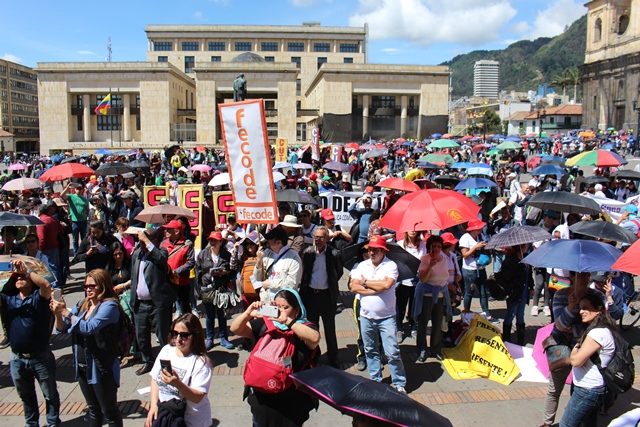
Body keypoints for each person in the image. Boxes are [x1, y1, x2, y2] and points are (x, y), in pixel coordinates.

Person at [230, 288, 320, 427]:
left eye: (285, 307)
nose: (281, 311)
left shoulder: (304, 327)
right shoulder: (265, 324)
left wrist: (288, 322)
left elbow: (314, 339)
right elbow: (235, 329)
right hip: (262, 402)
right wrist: (248, 313)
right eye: (277, 307)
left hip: (291, 405)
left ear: (297, 310)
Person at [51, 269, 123, 427]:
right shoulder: (83, 304)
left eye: (92, 286)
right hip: (83, 366)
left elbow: (89, 327)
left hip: (101, 367)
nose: (88, 289)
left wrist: (65, 311)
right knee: (93, 410)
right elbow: (61, 329)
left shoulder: (109, 306)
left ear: (102, 285)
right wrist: (57, 314)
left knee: (109, 411)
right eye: (85, 286)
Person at [2, 260, 60, 427]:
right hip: (17, 358)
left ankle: (53, 423)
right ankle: (31, 423)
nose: (19, 279)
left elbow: (46, 285)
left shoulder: (38, 297)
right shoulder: (8, 298)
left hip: (40, 356)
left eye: (23, 277)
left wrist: (26, 271)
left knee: (50, 394)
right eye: (17, 277)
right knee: (26, 395)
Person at [348, 236, 406, 393]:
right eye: (370, 249)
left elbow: (386, 285)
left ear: (383, 251)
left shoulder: (391, 265)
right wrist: (376, 288)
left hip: (387, 317)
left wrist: (365, 283)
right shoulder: (362, 265)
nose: (371, 252)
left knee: (392, 352)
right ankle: (375, 380)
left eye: (375, 250)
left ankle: (399, 382)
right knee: (370, 349)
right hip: (366, 316)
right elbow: (353, 287)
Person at [559, 290, 617, 427]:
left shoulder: (597, 333)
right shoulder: (601, 328)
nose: (581, 311)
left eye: (586, 308)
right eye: (580, 308)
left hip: (587, 389)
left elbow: (575, 361)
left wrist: (576, 347)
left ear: (598, 311)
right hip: (589, 387)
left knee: (566, 425)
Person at [145, 313, 212, 427]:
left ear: (195, 336)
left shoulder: (201, 362)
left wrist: (177, 384)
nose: (178, 339)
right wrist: (154, 405)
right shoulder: (166, 350)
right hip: (168, 416)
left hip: (193, 421)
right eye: (175, 333)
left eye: (184, 335)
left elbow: (198, 397)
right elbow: (155, 379)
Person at [130, 229, 175, 376]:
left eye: (145, 240)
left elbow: (161, 259)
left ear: (154, 241)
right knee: (142, 337)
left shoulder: (161, 252)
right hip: (140, 304)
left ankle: (167, 365)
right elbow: (134, 277)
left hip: (157, 304)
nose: (142, 243)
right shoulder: (137, 254)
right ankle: (147, 362)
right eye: (141, 240)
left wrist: (147, 241)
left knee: (163, 336)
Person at [299, 226, 343, 368]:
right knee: (313, 328)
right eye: (316, 237)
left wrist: (330, 283)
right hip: (311, 295)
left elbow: (339, 272)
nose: (318, 240)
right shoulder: (307, 253)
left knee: (329, 329)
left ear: (327, 238)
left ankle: (333, 357)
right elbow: (304, 273)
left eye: (321, 237)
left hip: (327, 296)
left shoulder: (334, 253)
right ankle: (314, 355)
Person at [196, 231, 236, 350]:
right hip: (208, 288)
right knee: (209, 315)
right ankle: (209, 338)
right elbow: (198, 271)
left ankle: (224, 338)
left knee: (222, 314)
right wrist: (199, 289)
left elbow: (233, 271)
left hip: (221, 287)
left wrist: (225, 272)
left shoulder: (226, 255)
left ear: (220, 242)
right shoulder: (203, 254)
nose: (212, 242)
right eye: (210, 240)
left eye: (214, 240)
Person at [414, 235, 449, 362]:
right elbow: (423, 279)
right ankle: (422, 350)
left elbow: (446, 275)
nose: (436, 249)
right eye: (434, 246)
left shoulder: (445, 258)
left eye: (439, 246)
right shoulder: (424, 259)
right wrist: (430, 266)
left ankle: (435, 349)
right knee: (423, 323)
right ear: (429, 247)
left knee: (437, 323)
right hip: (426, 295)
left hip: (440, 295)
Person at [252, 226, 302, 302]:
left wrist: (270, 284)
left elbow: (292, 284)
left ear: (279, 243)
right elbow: (256, 279)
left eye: (270, 243)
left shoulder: (294, 257)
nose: (268, 246)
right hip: (266, 299)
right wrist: (259, 261)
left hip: (284, 301)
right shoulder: (266, 254)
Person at [459, 219, 495, 321]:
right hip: (469, 270)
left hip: (481, 268)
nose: (481, 229)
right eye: (479, 228)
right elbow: (465, 255)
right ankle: (466, 314)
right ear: (473, 229)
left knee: (483, 292)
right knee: (469, 292)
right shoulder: (465, 238)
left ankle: (487, 314)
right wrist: (475, 247)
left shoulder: (481, 236)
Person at [396, 231, 426, 341]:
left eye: (414, 229)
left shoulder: (423, 245)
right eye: (410, 228)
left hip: (417, 281)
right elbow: (396, 262)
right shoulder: (400, 244)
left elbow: (425, 261)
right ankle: (399, 328)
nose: (412, 231)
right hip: (402, 281)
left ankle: (414, 327)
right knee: (400, 306)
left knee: (415, 306)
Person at [499, 244, 532, 345]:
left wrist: (531, 287)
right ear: (521, 247)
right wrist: (518, 266)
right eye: (526, 246)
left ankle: (520, 341)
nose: (527, 247)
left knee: (520, 315)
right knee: (510, 314)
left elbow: (529, 275)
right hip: (514, 293)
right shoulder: (510, 260)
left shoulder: (526, 259)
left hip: (524, 292)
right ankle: (506, 340)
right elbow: (506, 277)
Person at [161, 219, 195, 315]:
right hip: (167, 281)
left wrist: (176, 271)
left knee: (185, 307)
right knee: (167, 308)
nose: (166, 231)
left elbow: (191, 262)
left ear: (176, 231)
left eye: (169, 229)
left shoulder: (187, 244)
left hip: (182, 281)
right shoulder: (163, 243)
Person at [61, 183, 89, 256]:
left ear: (82, 190)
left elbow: (87, 209)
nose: (79, 190)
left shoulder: (85, 199)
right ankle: (76, 253)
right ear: (75, 189)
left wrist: (86, 215)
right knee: (75, 239)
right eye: (77, 189)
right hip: (75, 221)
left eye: (80, 189)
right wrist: (67, 187)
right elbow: (62, 195)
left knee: (84, 238)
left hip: (83, 221)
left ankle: (82, 252)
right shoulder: (71, 196)